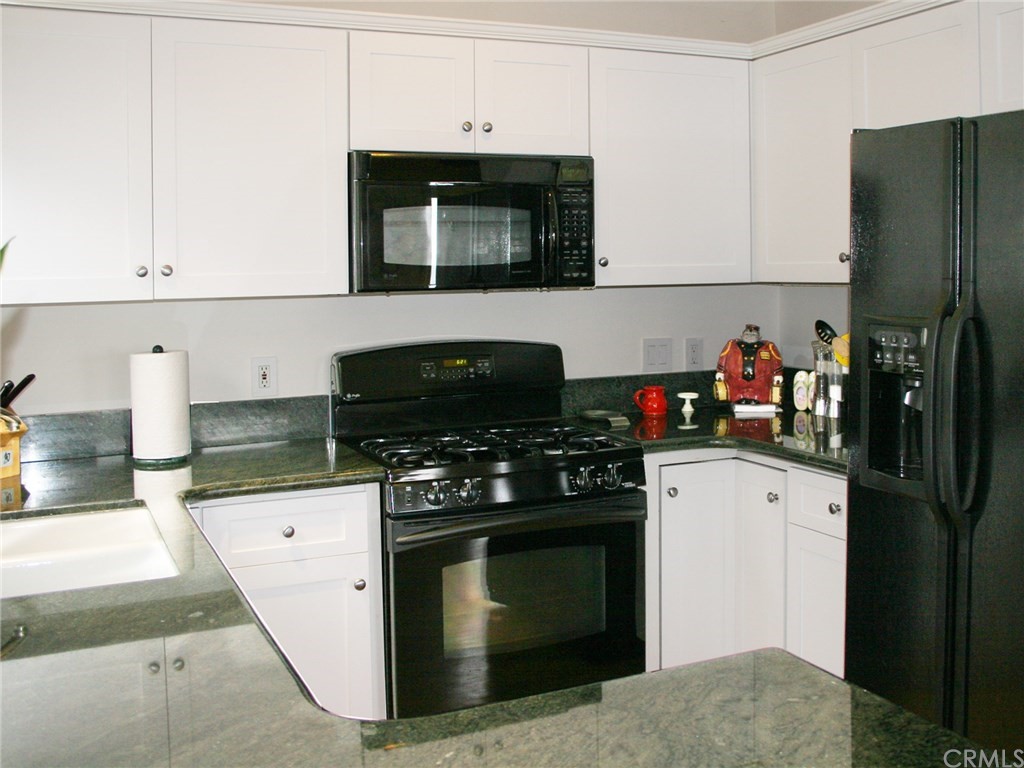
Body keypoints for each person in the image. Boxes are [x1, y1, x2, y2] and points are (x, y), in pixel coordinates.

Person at [713, 324, 783, 405]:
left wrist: (778, 374)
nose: (750, 336)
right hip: (735, 380)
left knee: (761, 392)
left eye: (753, 334)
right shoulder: (731, 345)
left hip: (761, 381)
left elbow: (776, 360)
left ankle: (757, 399)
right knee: (736, 391)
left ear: (760, 337)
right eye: (747, 334)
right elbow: (723, 357)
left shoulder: (769, 347)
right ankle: (740, 398)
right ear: (741, 336)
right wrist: (720, 371)